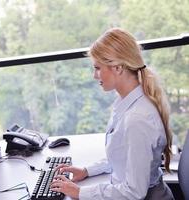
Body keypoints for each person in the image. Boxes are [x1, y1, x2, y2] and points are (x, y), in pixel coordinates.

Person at [50, 28, 175, 200]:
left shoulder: (137, 119)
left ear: (118, 67)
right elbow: (124, 160)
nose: (95, 75)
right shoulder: (127, 104)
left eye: (98, 68)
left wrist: (80, 193)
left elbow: (134, 191)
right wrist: (87, 171)